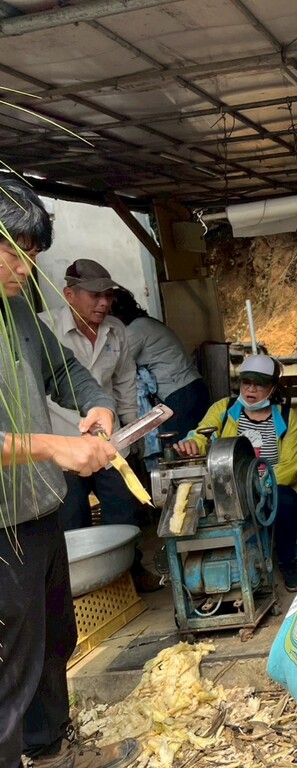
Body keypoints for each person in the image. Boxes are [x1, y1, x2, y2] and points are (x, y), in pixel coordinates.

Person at [0, 178, 140, 768]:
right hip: (1, 527)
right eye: (15, 253)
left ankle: (52, 750)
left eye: (32, 255)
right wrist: (54, 447)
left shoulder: (16, 309)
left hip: (40, 511)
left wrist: (97, 404)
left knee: (52, 639)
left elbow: (63, 371)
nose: (26, 269)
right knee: (7, 666)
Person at [36, 258, 162, 592]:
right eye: (95, 295)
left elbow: (125, 382)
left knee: (124, 511)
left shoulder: (116, 329)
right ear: (70, 295)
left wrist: (130, 433)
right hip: (63, 444)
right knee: (71, 520)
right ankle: (78, 592)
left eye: (108, 295)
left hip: (109, 440)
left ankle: (131, 575)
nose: (104, 303)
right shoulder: (43, 328)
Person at [175, 354, 297, 592]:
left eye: (259, 384)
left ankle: (288, 563)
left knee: (287, 499)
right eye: (246, 382)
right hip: (230, 486)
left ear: (272, 388)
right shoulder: (224, 409)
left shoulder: (287, 417)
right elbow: (202, 434)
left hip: (272, 485)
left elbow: (291, 466)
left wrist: (258, 485)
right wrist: (192, 444)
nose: (251, 390)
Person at [108, 287, 210, 444]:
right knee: (195, 443)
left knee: (179, 446)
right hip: (192, 387)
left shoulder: (137, 329)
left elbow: (115, 365)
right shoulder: (148, 323)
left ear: (118, 314)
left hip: (180, 393)